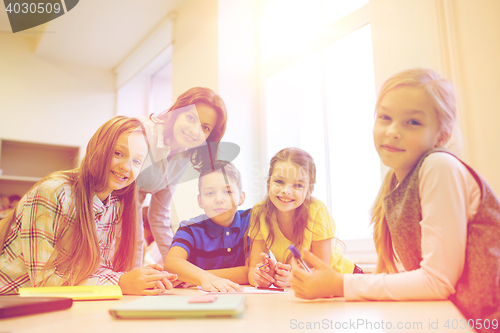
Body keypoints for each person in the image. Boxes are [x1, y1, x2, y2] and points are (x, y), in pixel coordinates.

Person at [289, 68, 500, 328]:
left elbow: (437, 281)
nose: (392, 131)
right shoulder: (395, 182)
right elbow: (400, 276)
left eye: (412, 122)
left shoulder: (439, 166)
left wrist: (338, 284)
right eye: (384, 117)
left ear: (442, 134)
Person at [0, 116, 177, 295]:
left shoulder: (113, 205)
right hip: (10, 298)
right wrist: (121, 282)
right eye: (118, 153)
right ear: (97, 148)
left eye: (137, 161)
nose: (126, 167)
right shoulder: (54, 191)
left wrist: (146, 279)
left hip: (54, 303)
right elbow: (43, 281)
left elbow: (93, 272)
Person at [136, 87, 228, 266]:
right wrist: (136, 261)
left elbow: (159, 214)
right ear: (177, 112)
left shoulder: (183, 157)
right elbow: (128, 204)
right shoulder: (144, 134)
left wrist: (176, 265)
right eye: (191, 118)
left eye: (205, 127)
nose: (195, 131)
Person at [248, 147, 362, 289]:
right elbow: (253, 268)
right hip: (308, 288)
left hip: (345, 280)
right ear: (268, 183)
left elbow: (322, 271)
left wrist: (292, 279)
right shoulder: (259, 213)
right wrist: (261, 277)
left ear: (309, 191)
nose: (286, 191)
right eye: (279, 181)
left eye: (297, 185)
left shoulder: (316, 211)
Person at [164, 161, 250, 292]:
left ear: (241, 197)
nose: (219, 199)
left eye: (227, 191)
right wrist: (205, 279)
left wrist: (199, 277)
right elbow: (171, 263)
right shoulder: (189, 228)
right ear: (200, 201)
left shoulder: (251, 221)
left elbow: (250, 271)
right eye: (210, 193)